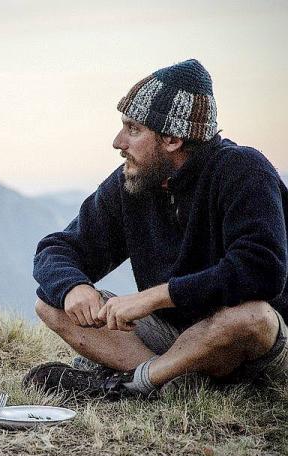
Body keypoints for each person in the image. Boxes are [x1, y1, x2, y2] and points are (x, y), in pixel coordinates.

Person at [26, 59, 288, 399]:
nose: (118, 141)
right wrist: (74, 286)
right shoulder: (131, 183)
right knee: (51, 302)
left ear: (172, 139)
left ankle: (134, 383)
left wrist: (154, 297)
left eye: (133, 129)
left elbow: (261, 270)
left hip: (252, 341)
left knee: (252, 317)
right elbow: (57, 250)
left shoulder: (244, 171)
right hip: (174, 336)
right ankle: (169, 385)